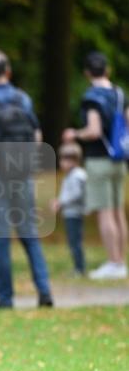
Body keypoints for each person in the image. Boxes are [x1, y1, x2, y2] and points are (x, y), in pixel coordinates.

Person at [0, 50, 54, 309]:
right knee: (29, 232)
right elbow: (37, 138)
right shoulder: (23, 99)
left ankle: (5, 298)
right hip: (22, 171)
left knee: (0, 235)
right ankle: (44, 290)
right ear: (8, 72)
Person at [62, 51, 128, 280]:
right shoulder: (119, 93)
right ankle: (121, 261)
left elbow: (94, 130)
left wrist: (75, 134)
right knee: (119, 211)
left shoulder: (92, 97)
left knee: (105, 212)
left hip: (99, 159)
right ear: (107, 70)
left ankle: (113, 262)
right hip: (119, 158)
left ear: (87, 72)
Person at [52, 142, 87, 277]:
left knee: (75, 242)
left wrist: (61, 202)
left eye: (66, 160)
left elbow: (76, 194)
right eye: (61, 159)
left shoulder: (77, 175)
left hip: (74, 213)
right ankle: (78, 267)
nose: (62, 163)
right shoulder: (71, 175)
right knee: (73, 242)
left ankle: (80, 268)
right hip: (70, 213)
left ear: (75, 160)